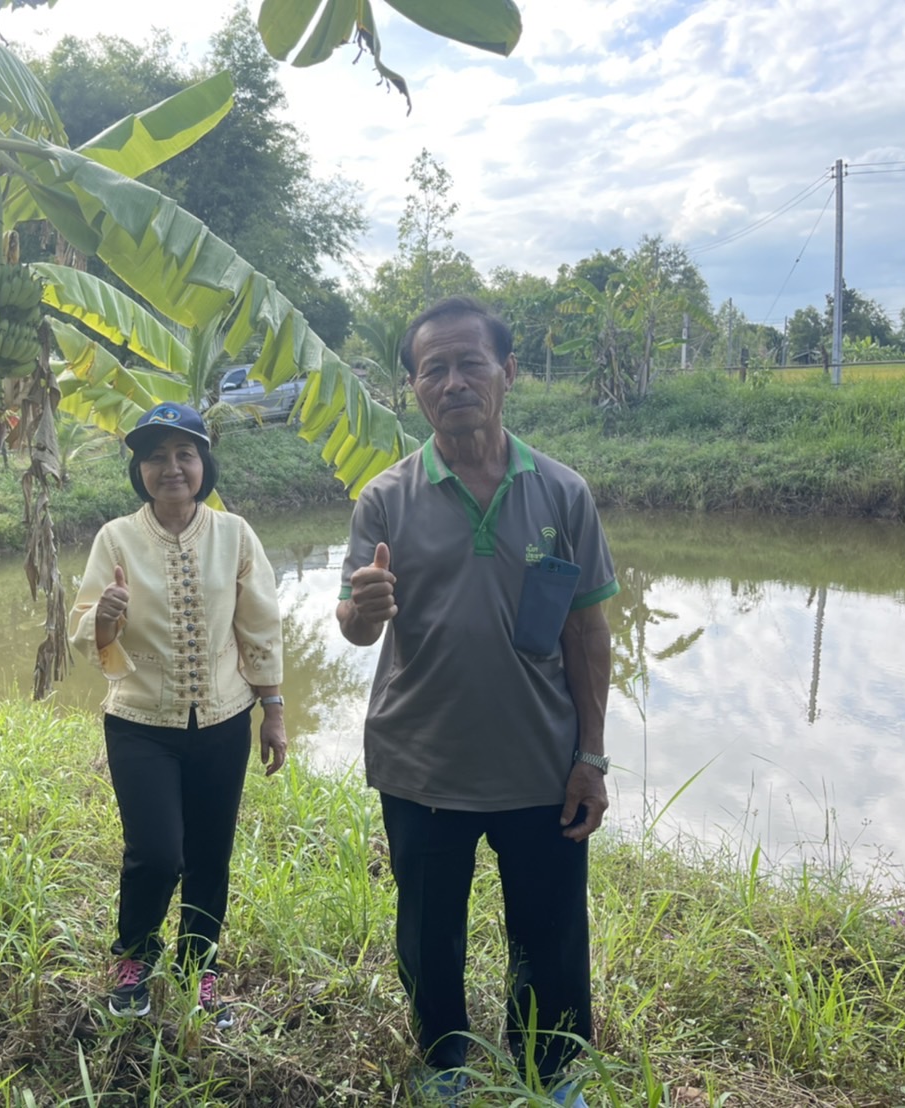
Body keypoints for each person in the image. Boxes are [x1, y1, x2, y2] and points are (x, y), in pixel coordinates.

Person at [336, 298, 618, 1106]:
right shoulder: (384, 500)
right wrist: (364, 609)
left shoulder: (562, 494)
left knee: (551, 931)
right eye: (434, 369)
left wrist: (591, 757)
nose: (454, 382)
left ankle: (553, 1071)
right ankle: (445, 1065)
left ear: (508, 372)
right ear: (414, 388)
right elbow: (354, 625)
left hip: (541, 762)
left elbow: (587, 633)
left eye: (471, 363)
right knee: (429, 932)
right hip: (422, 763)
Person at [69, 402, 288, 1028]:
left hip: (225, 720)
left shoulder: (234, 534)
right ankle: (134, 957)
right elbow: (84, 626)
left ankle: (201, 967)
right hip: (140, 722)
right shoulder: (115, 538)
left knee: (211, 852)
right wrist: (105, 616)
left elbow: (259, 625)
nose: (171, 468)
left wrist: (272, 708)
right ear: (139, 470)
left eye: (184, 454)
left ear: (203, 464)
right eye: (156, 457)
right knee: (157, 852)